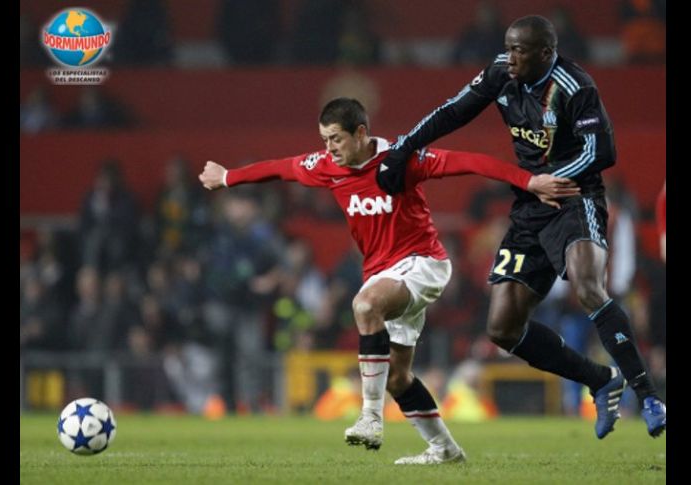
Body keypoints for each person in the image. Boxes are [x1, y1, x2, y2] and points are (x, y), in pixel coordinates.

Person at [199, 97, 578, 464]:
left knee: (365, 305)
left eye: (336, 139)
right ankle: (445, 450)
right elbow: (280, 169)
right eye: (324, 139)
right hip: (383, 273)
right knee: (398, 378)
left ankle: (370, 416)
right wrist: (228, 178)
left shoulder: (400, 157)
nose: (329, 148)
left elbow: (469, 162)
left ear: (360, 133)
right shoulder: (327, 166)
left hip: (423, 263)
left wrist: (528, 181)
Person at [375, 15, 666, 439]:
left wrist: (551, 179)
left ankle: (649, 396)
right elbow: (453, 112)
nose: (510, 58)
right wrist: (403, 148)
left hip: (574, 197)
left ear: (546, 53)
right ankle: (601, 380)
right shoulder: (500, 72)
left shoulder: (575, 86)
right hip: (531, 204)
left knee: (589, 287)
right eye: (508, 48)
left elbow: (601, 151)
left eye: (519, 51)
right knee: (502, 328)